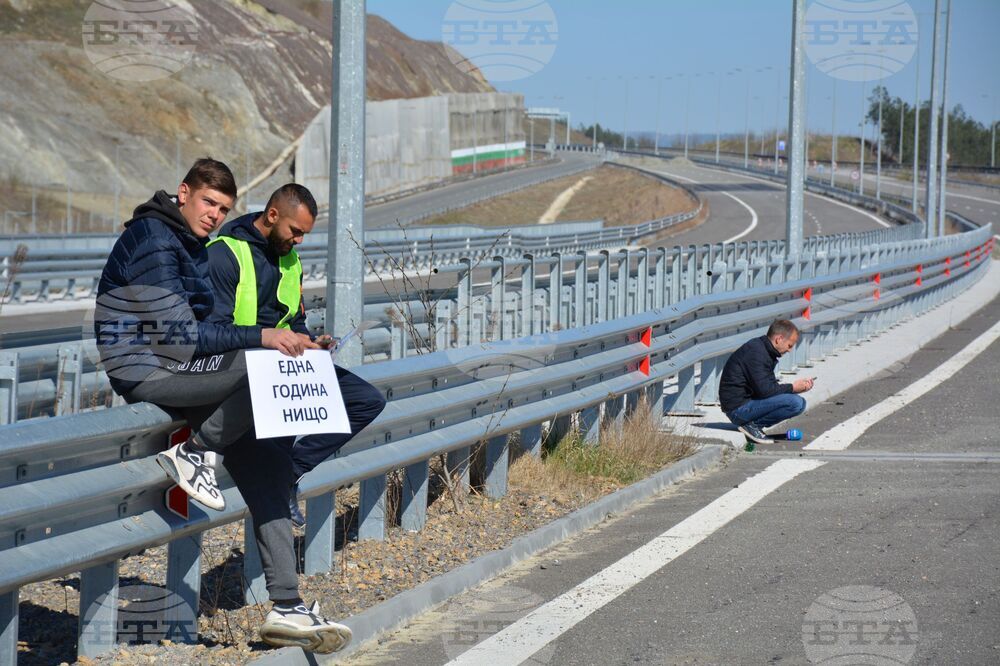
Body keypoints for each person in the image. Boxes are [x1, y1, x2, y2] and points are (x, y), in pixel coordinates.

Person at [95, 159, 352, 654]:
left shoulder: (187, 241)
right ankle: (194, 453)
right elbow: (182, 339)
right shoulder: (154, 238)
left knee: (272, 470)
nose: (215, 215)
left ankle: (286, 605)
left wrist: (286, 340)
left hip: (188, 371)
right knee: (266, 366)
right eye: (208, 203)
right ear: (183, 193)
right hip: (148, 369)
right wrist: (264, 337)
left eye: (224, 208)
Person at [206, 183, 386, 528]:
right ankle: (277, 482)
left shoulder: (291, 259)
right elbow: (214, 331)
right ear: (272, 216)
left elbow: (295, 320)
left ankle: (290, 472)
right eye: (295, 231)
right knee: (272, 449)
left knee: (366, 400)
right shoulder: (224, 254)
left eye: (304, 234)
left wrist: (311, 341)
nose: (299, 240)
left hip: (287, 363)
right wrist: (267, 340)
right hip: (244, 367)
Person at [718, 319, 813, 445]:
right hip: (737, 409)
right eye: (789, 345)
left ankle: (752, 425)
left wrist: (794, 388)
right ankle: (751, 426)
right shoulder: (756, 352)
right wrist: (793, 388)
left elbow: (768, 388)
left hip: (745, 403)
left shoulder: (764, 350)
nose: (789, 350)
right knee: (795, 402)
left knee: (800, 404)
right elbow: (766, 391)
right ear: (779, 339)